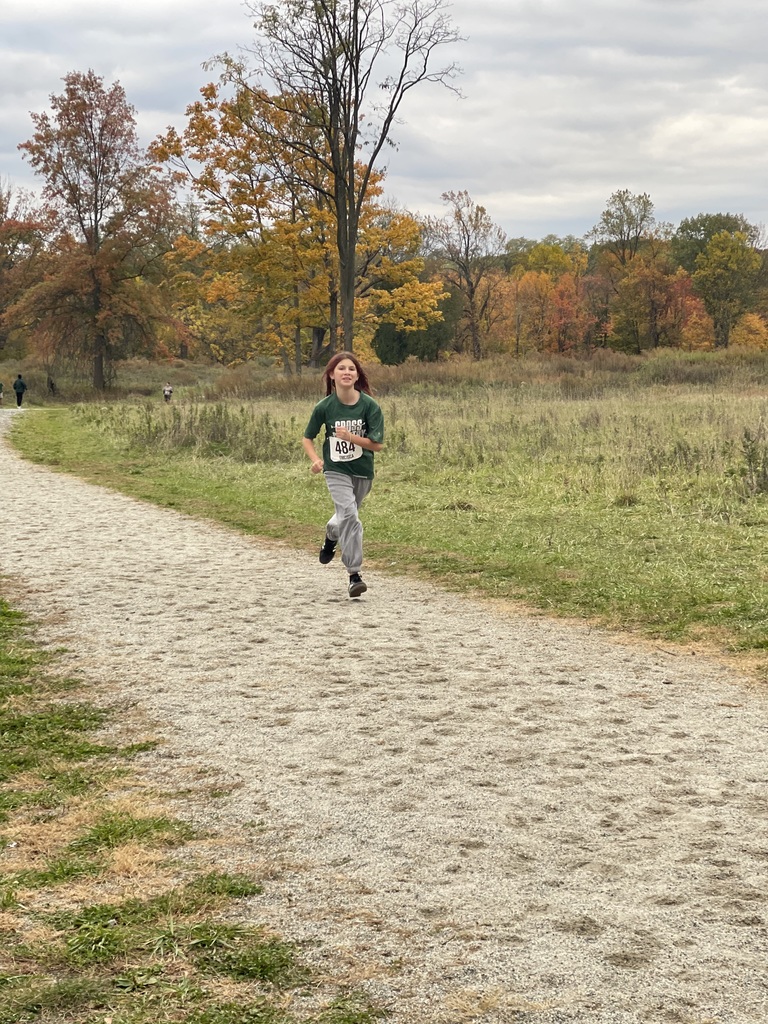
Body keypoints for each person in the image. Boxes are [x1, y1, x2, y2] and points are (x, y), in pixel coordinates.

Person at [302, 351, 385, 598]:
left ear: (357, 375)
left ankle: (331, 534)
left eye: (351, 368)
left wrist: (352, 438)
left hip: (362, 471)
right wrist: (316, 460)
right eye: (341, 369)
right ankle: (354, 575)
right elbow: (308, 437)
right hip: (335, 470)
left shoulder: (369, 405)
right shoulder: (324, 407)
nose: (346, 372)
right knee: (350, 515)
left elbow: (377, 444)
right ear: (331, 375)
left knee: (345, 516)